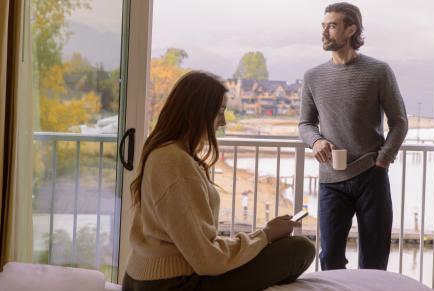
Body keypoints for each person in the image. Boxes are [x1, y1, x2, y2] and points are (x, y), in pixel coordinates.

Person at [124, 71, 315, 291]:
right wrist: (265, 235)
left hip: (147, 277)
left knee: (288, 247)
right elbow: (207, 259)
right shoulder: (174, 162)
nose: (222, 122)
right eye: (220, 111)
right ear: (196, 112)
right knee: (300, 249)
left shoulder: (166, 153)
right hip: (172, 283)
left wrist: (264, 235)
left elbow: (200, 246)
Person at [298, 2, 408, 271]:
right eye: (323, 26)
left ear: (351, 30)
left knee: (374, 259)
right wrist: (316, 140)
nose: (325, 32)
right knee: (330, 259)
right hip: (331, 181)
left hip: (372, 176)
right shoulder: (312, 76)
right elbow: (305, 123)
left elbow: (399, 121)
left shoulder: (378, 71)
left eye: (332, 26)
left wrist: (384, 158)